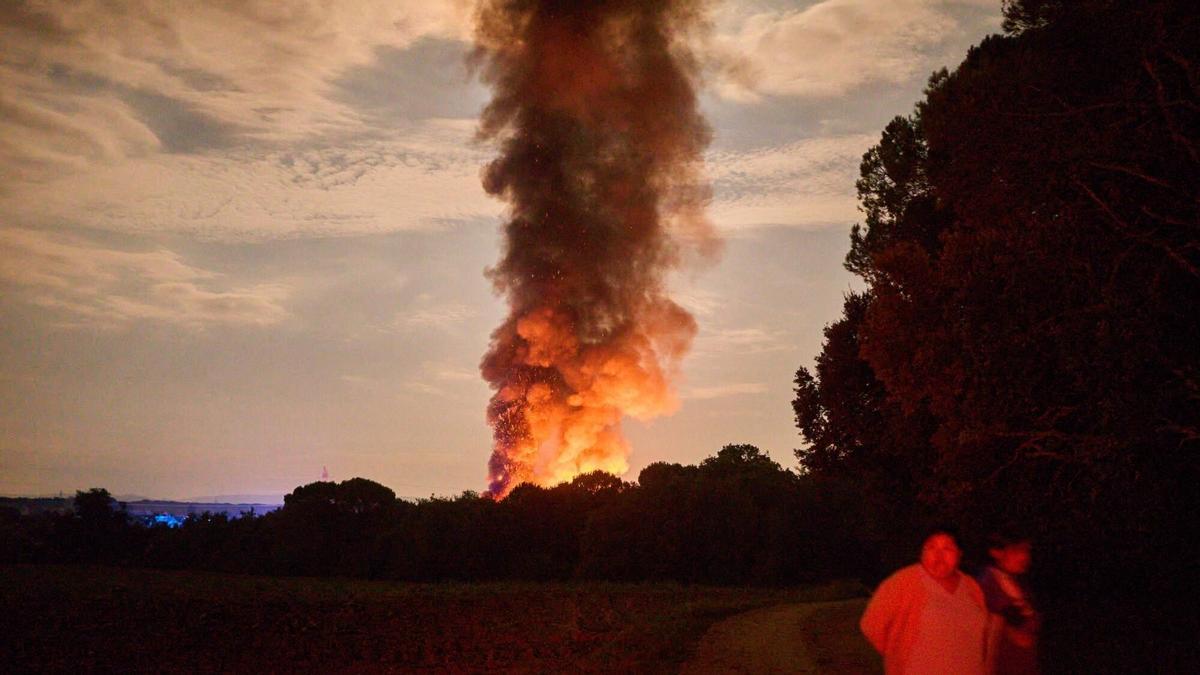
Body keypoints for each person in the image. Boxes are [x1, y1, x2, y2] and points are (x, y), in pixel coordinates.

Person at [860, 526, 989, 675]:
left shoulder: (970, 586)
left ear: (959, 554)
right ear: (921, 552)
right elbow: (871, 624)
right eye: (931, 548)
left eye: (947, 549)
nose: (938, 555)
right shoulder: (904, 582)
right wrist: (898, 655)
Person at [978, 531, 1040, 674]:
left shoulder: (1015, 583)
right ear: (996, 552)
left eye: (1026, 550)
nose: (1024, 557)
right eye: (1017, 550)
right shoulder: (989, 583)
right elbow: (1018, 625)